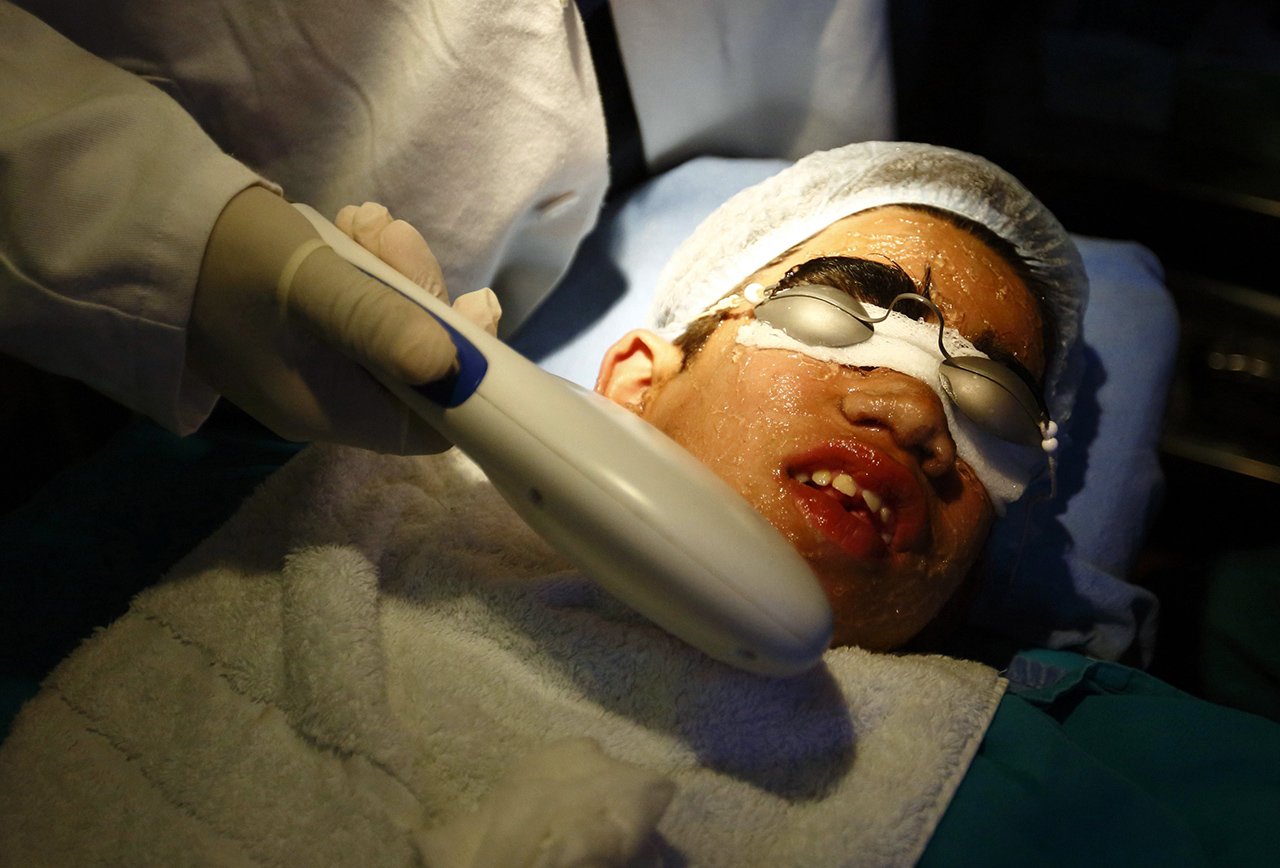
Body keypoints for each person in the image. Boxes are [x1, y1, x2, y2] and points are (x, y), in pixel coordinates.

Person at [4, 141, 1277, 866]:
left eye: (992, 412)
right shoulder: (290, 496)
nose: (912, 415)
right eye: (842, 318)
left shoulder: (1063, 772)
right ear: (634, 377)